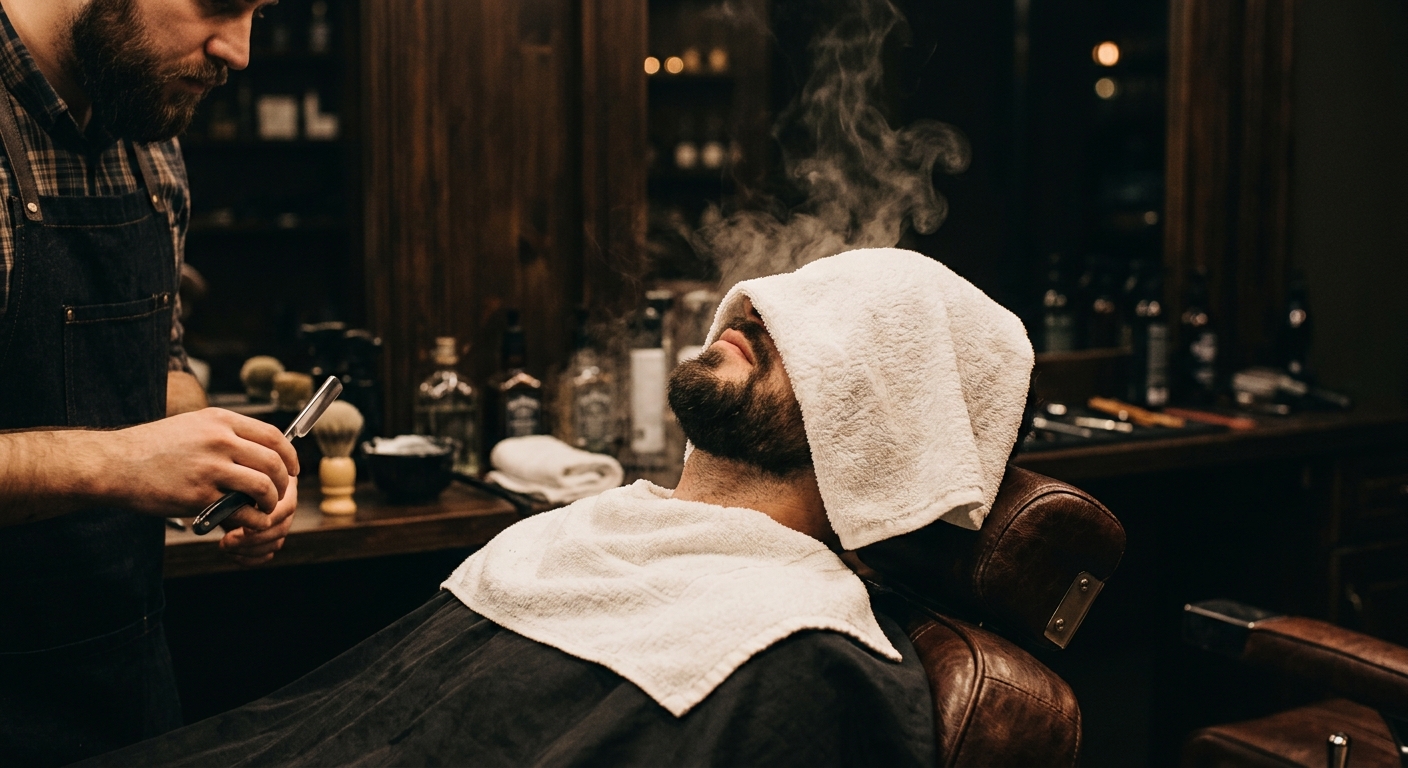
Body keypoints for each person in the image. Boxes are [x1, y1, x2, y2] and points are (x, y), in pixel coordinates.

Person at [84, 248, 1034, 767]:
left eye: (827, 331)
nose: (757, 311)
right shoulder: (589, 534)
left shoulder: (803, 659)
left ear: (887, 418)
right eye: (775, 300)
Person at [0, 1, 297, 765]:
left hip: (126, 671)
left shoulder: (147, 133)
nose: (240, 51)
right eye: (221, 3)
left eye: (259, 12)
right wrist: (124, 464)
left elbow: (157, 357)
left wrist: (224, 461)